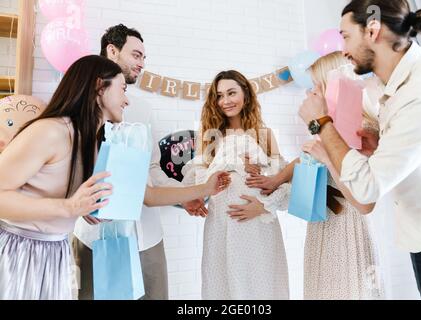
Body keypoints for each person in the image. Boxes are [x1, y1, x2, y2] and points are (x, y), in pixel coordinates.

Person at [0, 55, 230, 300]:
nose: (127, 100)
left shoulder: (96, 143)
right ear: (100, 87)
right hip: (17, 252)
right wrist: (69, 207)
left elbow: (148, 195)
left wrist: (206, 187)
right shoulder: (50, 132)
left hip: (54, 252)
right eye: (122, 89)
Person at [299, 0, 421, 300]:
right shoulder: (386, 87)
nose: (342, 49)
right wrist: (379, 143)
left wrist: (321, 122)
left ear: (372, 30)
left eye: (345, 36)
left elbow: (367, 191)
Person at [73, 24, 207, 300]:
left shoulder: (142, 109)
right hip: (94, 236)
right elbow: (66, 166)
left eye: (144, 58)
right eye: (136, 55)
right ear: (112, 50)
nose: (142, 63)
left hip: (146, 237)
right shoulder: (75, 108)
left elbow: (151, 169)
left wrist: (182, 198)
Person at [247, 52, 384, 300]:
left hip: (346, 225)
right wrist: (276, 179)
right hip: (322, 223)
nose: (309, 93)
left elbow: (362, 194)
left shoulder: (362, 128)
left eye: (315, 86)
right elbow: (307, 156)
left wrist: (326, 157)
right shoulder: (329, 125)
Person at [182, 70, 290, 300]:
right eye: (219, 96)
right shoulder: (210, 136)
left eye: (231, 93)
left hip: (258, 222)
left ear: (246, 95)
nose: (225, 101)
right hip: (222, 221)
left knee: (259, 284)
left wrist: (263, 206)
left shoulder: (264, 134)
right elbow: (200, 179)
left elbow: (282, 181)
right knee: (222, 282)